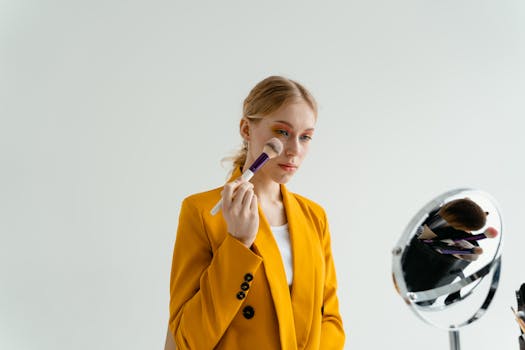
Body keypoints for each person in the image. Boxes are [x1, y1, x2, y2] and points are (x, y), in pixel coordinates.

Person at [167, 76, 345, 349]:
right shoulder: (202, 212)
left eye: (305, 137)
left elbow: (330, 319)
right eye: (282, 132)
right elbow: (188, 338)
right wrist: (238, 245)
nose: (294, 150)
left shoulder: (313, 217)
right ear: (246, 129)